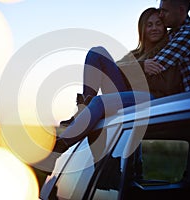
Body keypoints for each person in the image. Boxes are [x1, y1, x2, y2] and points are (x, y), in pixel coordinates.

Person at [35, 7, 171, 173]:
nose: (154, 28)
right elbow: (117, 66)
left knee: (98, 103)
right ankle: (83, 110)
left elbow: (162, 81)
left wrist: (133, 71)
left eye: (158, 24)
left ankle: (57, 149)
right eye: (149, 25)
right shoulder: (136, 54)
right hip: (125, 95)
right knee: (97, 52)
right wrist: (141, 67)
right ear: (142, 29)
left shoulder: (168, 49)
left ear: (165, 27)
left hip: (151, 98)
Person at [144, 0, 190, 91]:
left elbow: (155, 65)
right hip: (180, 100)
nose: (160, 15)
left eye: (165, 11)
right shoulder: (173, 33)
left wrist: (140, 65)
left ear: (181, 10)